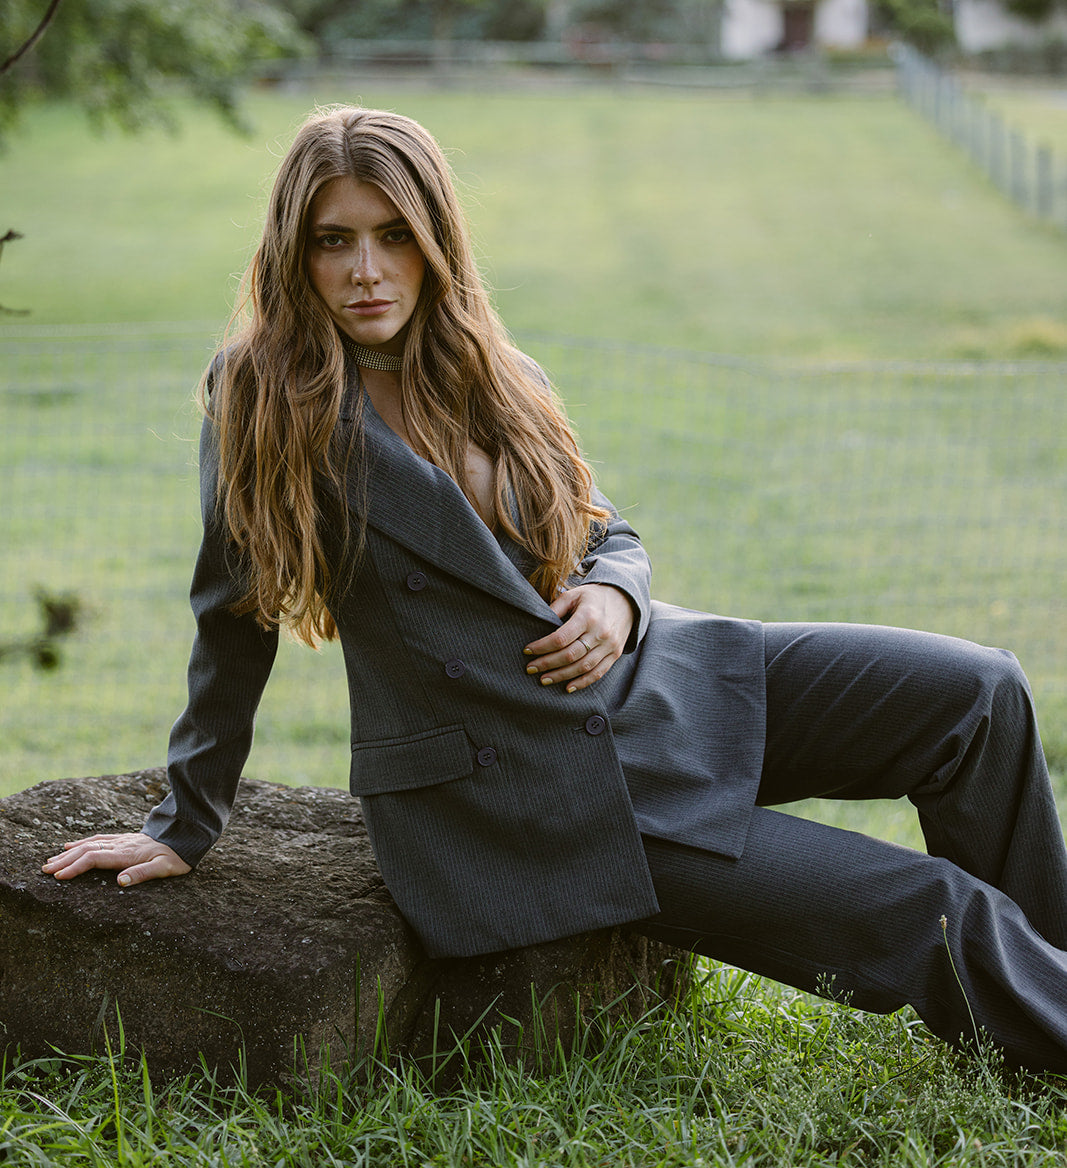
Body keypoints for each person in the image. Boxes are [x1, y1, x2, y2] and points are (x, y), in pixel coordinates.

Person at [43, 106, 1067, 1073]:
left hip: (654, 679)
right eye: (332, 239)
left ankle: (1044, 999)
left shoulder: (487, 367)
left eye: (394, 236)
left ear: (436, 238)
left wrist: (616, 597)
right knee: (923, 908)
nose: (365, 270)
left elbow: (600, 527)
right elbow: (231, 620)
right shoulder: (263, 398)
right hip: (526, 779)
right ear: (291, 250)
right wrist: (183, 823)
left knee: (975, 692)